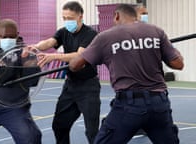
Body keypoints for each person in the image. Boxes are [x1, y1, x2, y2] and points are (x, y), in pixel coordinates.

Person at [69, 4, 183, 144]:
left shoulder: (106, 37)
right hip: (159, 104)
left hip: (129, 105)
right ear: (135, 16)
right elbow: (178, 64)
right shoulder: (156, 32)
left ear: (117, 15)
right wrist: (171, 50)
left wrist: (87, 55)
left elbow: (74, 66)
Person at [23, 1, 101, 144]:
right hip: (70, 86)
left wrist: (53, 57)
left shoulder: (90, 34)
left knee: (92, 131)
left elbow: (79, 56)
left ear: (80, 16)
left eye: (70, 18)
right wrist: (35, 47)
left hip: (88, 87)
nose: (67, 21)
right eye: (64, 18)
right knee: (59, 126)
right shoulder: (63, 32)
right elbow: (50, 42)